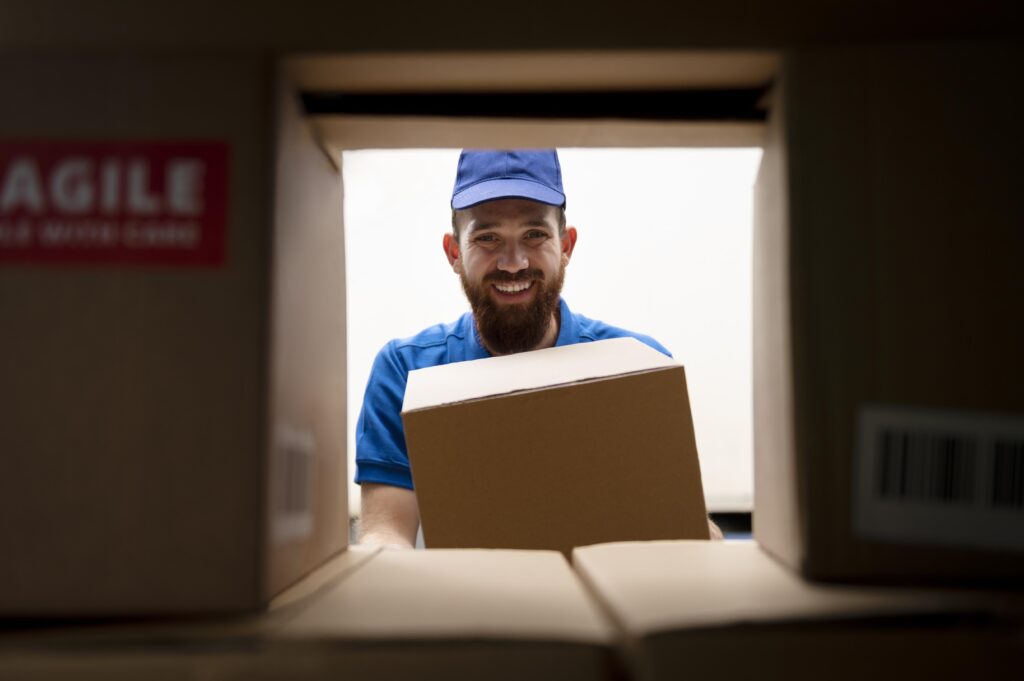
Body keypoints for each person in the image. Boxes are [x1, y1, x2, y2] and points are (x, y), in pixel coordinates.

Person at [355, 149, 722, 546]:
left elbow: (687, 530)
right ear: (454, 252)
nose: (513, 263)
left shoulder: (638, 366)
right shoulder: (405, 372)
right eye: (488, 237)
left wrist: (705, 542)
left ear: (566, 246)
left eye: (534, 235)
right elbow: (385, 535)